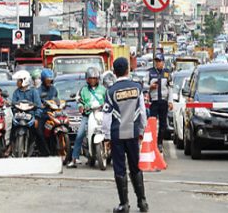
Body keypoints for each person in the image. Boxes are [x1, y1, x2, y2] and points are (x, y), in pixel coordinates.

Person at [103, 57, 148, 213]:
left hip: (117, 135)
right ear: (128, 70)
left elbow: (107, 116)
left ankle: (124, 204)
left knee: (120, 169)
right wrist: (142, 131)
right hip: (133, 133)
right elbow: (142, 112)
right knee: (135, 167)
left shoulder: (110, 91)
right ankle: (142, 202)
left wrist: (107, 137)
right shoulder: (137, 88)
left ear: (114, 72)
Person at [67, 67, 107, 168]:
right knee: (80, 134)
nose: (93, 80)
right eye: (91, 78)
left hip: (102, 114)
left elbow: (109, 100)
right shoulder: (83, 90)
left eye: (95, 78)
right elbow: (79, 101)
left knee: (112, 132)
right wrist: (81, 107)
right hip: (88, 115)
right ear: (87, 79)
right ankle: (74, 159)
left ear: (98, 79)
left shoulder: (104, 89)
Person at [11, 70, 50, 157]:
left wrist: (36, 118)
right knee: (11, 130)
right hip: (19, 116)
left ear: (24, 80)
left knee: (39, 132)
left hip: (31, 116)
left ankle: (44, 152)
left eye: (19, 80)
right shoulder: (16, 92)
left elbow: (39, 106)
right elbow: (13, 105)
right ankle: (10, 148)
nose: (17, 82)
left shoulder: (33, 92)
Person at [148, 53, 173, 151]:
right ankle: (152, 142)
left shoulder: (167, 73)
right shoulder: (150, 72)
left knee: (163, 124)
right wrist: (150, 87)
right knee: (152, 123)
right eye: (156, 61)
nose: (158, 63)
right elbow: (144, 86)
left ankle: (159, 143)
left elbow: (170, 88)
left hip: (163, 101)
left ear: (163, 62)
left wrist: (170, 101)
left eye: (159, 61)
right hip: (153, 101)